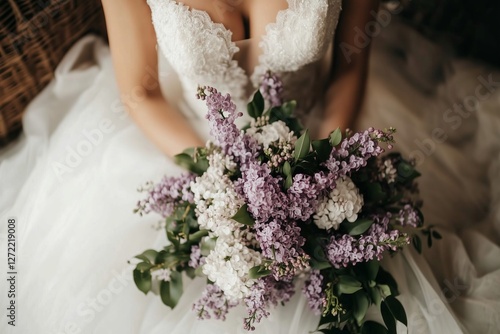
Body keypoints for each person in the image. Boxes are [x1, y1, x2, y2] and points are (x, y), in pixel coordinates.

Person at [1, 0, 499, 333]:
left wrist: (318, 171)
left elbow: (350, 65)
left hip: (319, 131)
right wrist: (224, 186)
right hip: (188, 143)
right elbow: (141, 91)